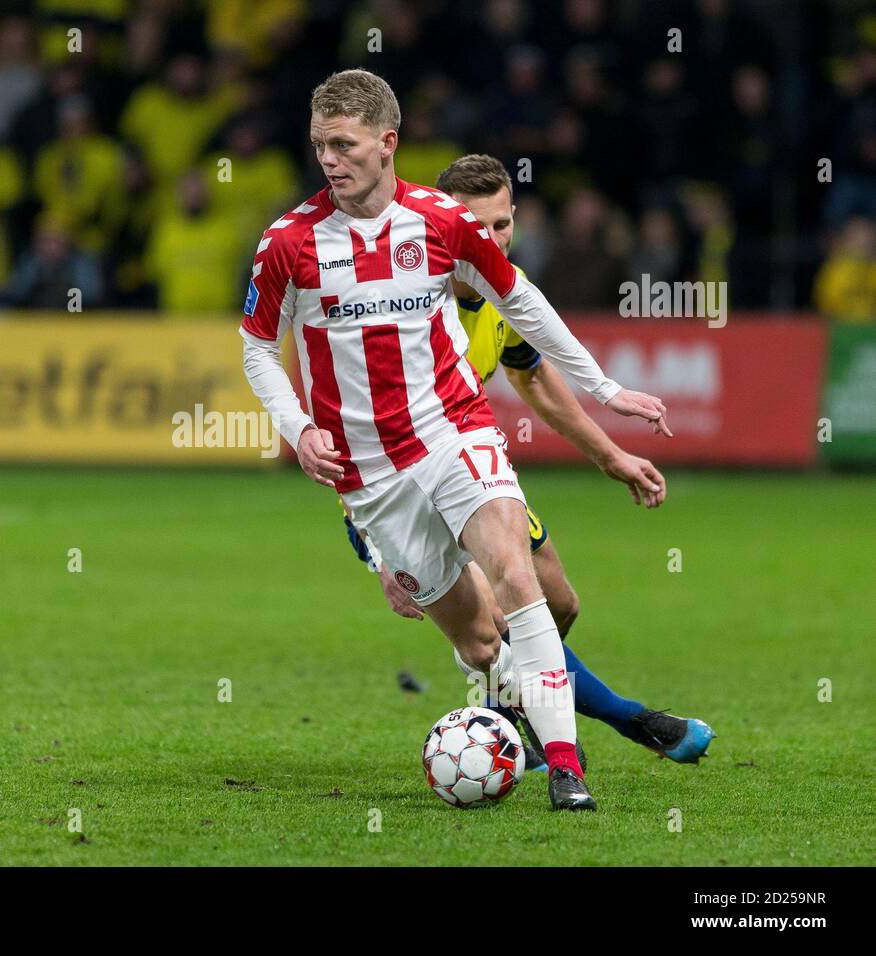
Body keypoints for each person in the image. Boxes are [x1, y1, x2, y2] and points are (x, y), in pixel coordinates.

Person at [241, 69, 672, 810]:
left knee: (517, 573)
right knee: (477, 643)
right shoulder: (289, 243)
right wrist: (298, 427)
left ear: (387, 143)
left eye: (343, 144)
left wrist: (606, 390)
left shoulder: (442, 222)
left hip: (453, 430)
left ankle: (566, 769)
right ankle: (531, 720)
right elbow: (255, 348)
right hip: (369, 473)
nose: (330, 160)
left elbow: (521, 301)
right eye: (319, 146)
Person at [345, 154, 714, 768]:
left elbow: (536, 380)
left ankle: (509, 712)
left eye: (502, 224)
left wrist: (610, 455)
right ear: (440, 222)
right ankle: (634, 720)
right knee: (495, 617)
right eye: (476, 225)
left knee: (558, 603)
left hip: (465, 471)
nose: (490, 240)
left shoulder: (501, 290)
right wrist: (383, 553)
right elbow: (347, 426)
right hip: (392, 488)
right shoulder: (394, 300)